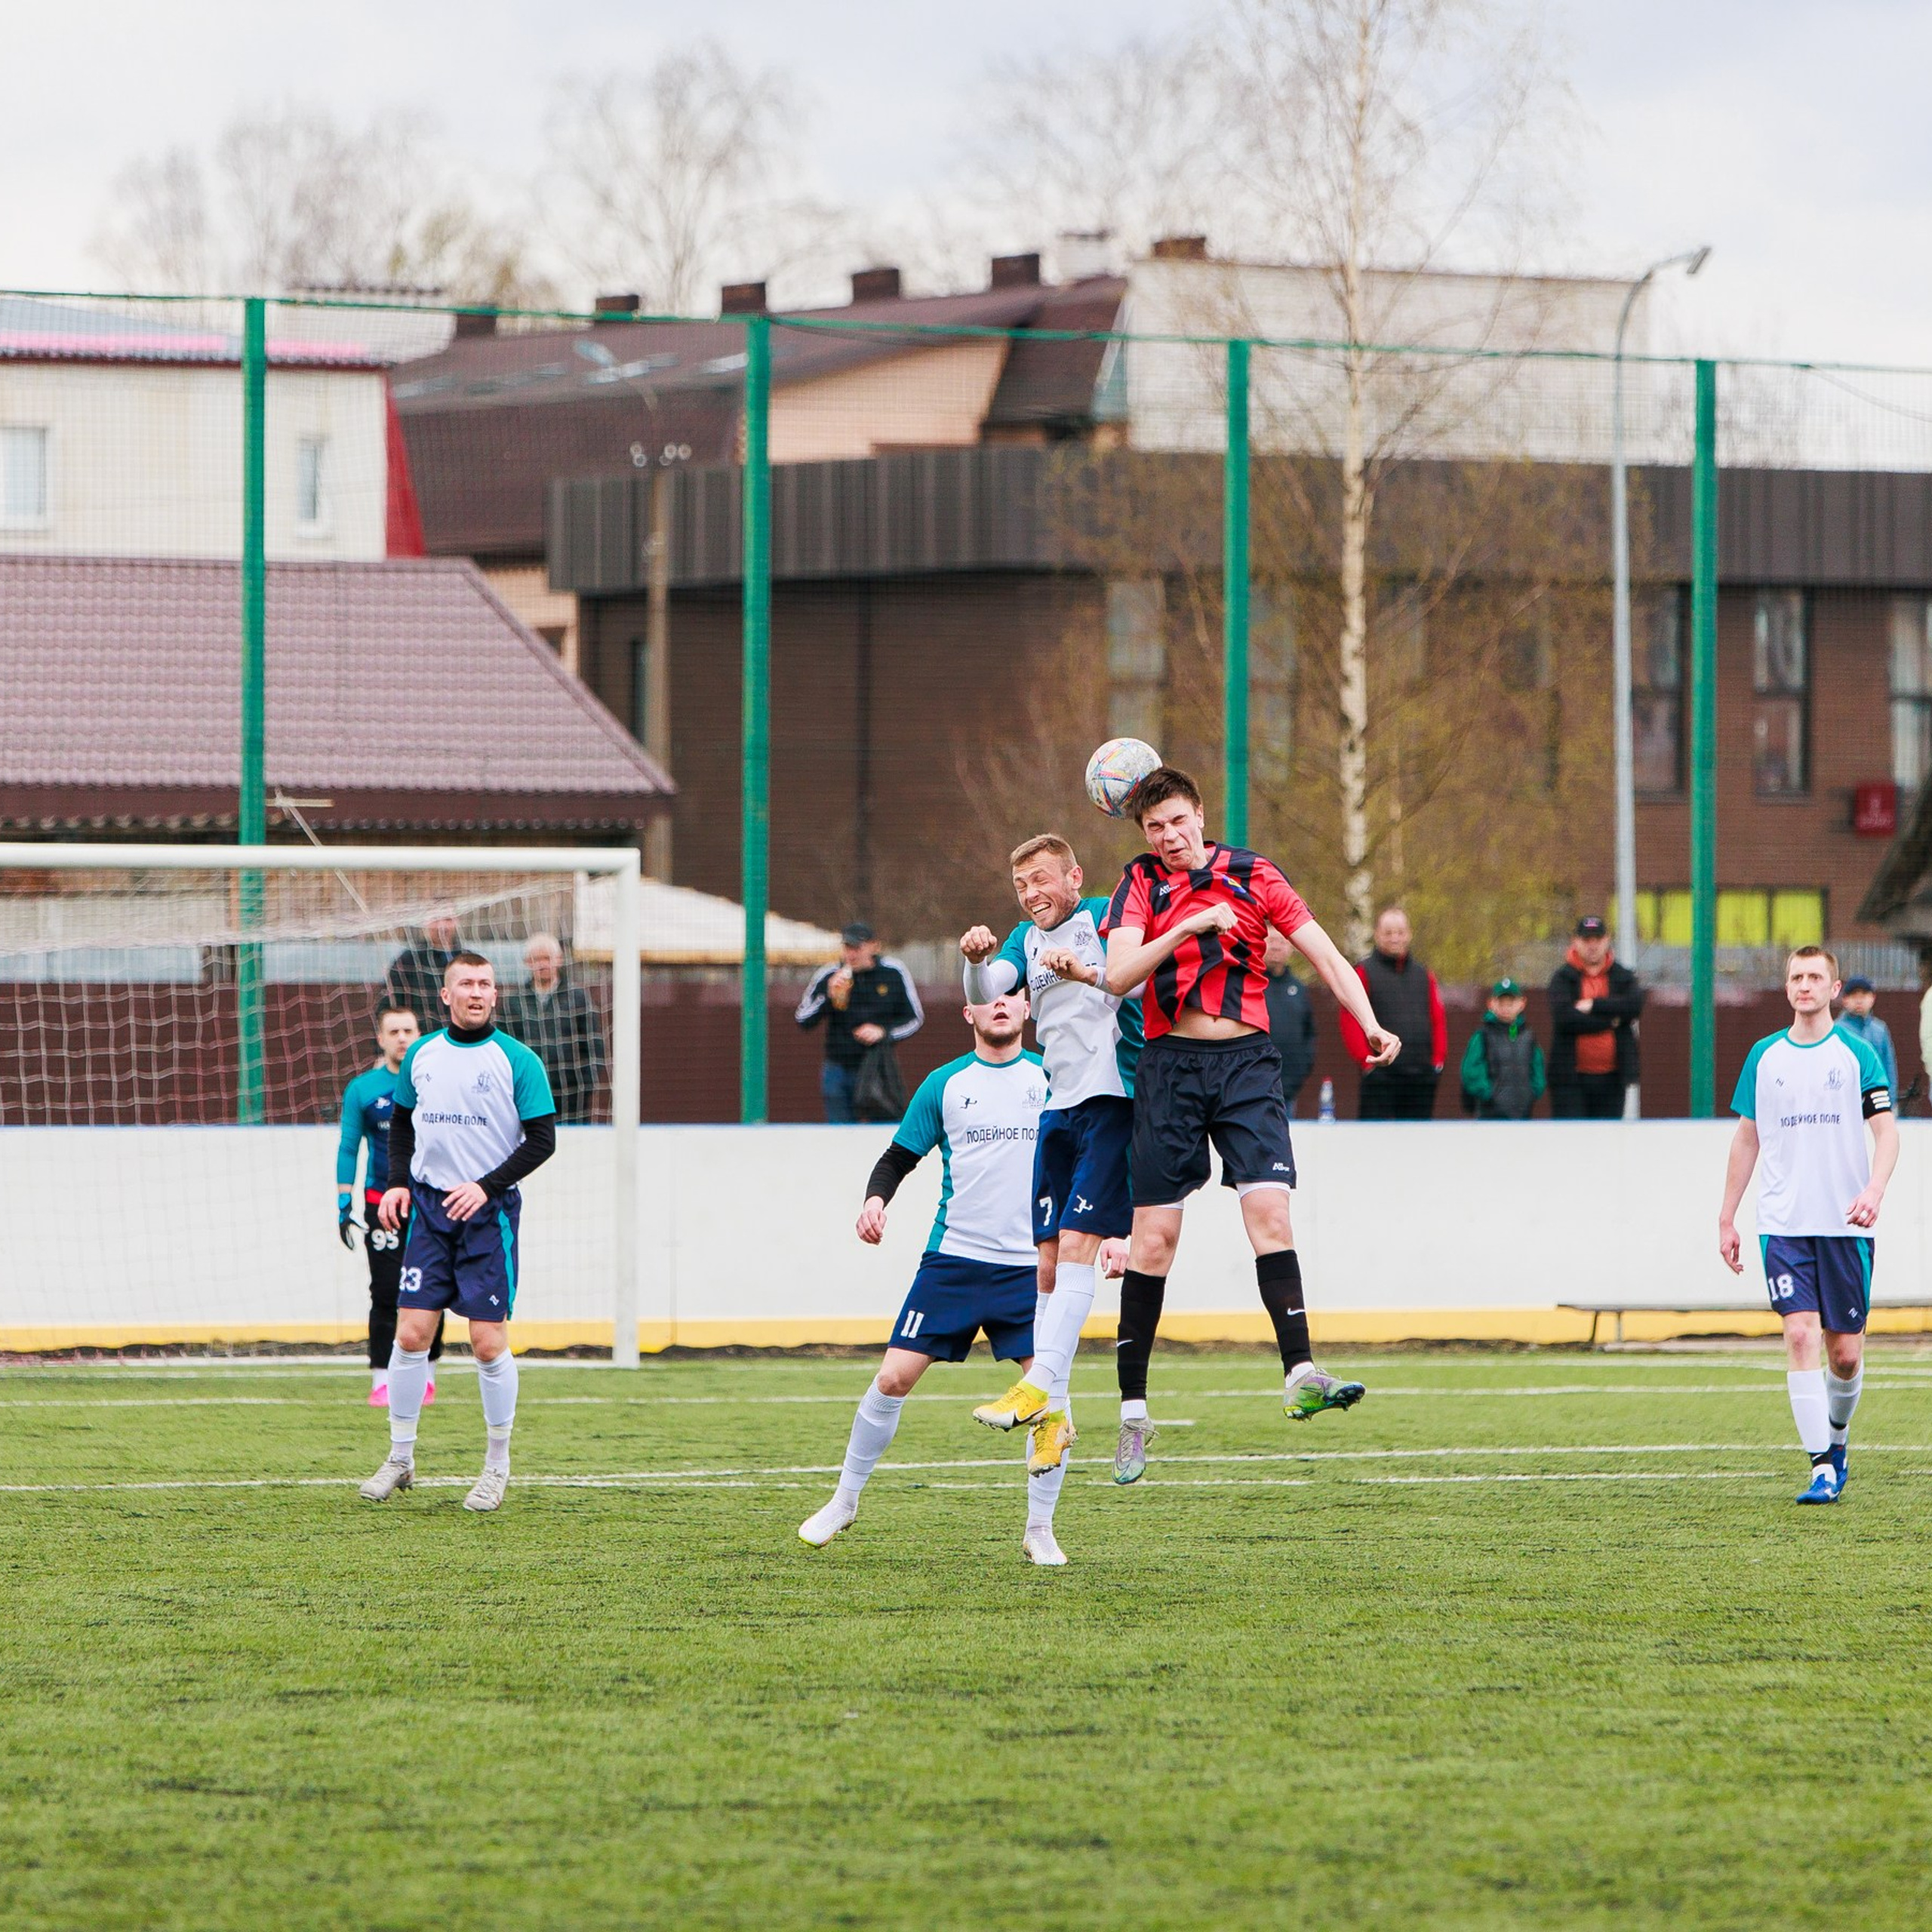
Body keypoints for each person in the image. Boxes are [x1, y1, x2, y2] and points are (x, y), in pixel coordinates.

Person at [1077, 765, 1398, 1484]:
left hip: (1248, 1065)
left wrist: (1370, 1024)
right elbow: (1120, 975)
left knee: (1270, 1218)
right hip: (1167, 1066)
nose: (1168, 838)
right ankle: (1132, 1415)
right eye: (1155, 828)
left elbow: (1326, 954)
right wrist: (1187, 923)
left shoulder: (1254, 873)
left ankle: (1301, 1373)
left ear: (1200, 815)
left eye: (1178, 823)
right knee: (1154, 1240)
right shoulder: (1139, 885)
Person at [797, 986, 1073, 1564]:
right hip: (953, 1262)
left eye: (1011, 997)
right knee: (894, 1378)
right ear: (969, 1012)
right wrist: (876, 1201)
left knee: (1050, 1397)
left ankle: (1040, 1529)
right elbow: (899, 1157)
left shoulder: (1054, 1079)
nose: (1000, 1005)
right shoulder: (946, 1083)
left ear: (1027, 1010)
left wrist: (1113, 1233)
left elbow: (1096, 1154)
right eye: (987, 998)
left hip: (1031, 1269)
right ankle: (844, 1501)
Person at [958, 834, 1140, 1474]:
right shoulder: (1024, 940)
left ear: (1073, 876)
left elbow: (1137, 972)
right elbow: (992, 985)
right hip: (1058, 1110)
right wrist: (977, 959)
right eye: (1020, 885)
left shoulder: (1106, 913)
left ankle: (1039, 1386)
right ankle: (1053, 1416)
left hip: (1113, 1099)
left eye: (1041, 879)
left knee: (1076, 1247)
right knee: (1045, 1264)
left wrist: (1088, 970)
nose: (1032, 893)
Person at [358, 950, 558, 1514]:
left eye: (485, 984)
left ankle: (497, 1466)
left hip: (486, 1216)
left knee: (486, 1341)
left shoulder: (517, 1061)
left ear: (496, 995)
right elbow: (401, 1122)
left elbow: (543, 1140)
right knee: (411, 1335)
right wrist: (397, 1183)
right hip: (427, 1209)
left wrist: (486, 1186)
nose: (476, 992)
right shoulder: (421, 1053)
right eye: (465, 984)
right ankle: (400, 1457)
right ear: (445, 996)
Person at [1718, 945, 1897, 1503]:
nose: (1804, 985)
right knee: (1799, 1335)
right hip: (1784, 1222)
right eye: (1796, 976)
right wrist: (1727, 1216)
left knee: (1844, 1353)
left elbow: (1887, 1132)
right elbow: (1747, 1138)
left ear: (1834, 988)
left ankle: (1837, 1441)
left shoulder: (1857, 1053)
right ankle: (1821, 1466)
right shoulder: (1764, 1057)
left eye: (1815, 976)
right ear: (1787, 986)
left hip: (1846, 1226)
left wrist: (1873, 1190)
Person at [337, 1005, 445, 1404]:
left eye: (409, 1030)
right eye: (394, 1031)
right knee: (385, 1291)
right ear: (380, 1039)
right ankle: (381, 1378)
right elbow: (349, 1146)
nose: (402, 1038)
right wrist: (343, 1200)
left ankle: (428, 1377)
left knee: (433, 1289)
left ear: (420, 1036)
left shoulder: (435, 1085)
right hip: (381, 1203)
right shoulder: (363, 1090)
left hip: (430, 1203)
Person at [794, 921, 924, 1124]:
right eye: (847, 948)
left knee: (885, 1132)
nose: (851, 955)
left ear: (874, 946)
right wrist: (829, 996)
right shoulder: (829, 974)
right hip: (838, 1069)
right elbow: (803, 1019)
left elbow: (914, 1018)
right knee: (841, 1135)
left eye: (857, 948)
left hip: (878, 1068)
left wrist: (883, 1033)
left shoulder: (893, 972)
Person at [1339, 907, 1445, 1120]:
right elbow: (1349, 1019)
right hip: (1381, 1077)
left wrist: (1437, 1062)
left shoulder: (1424, 975)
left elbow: (1438, 1019)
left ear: (1409, 934)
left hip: (1421, 1077)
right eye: (1388, 933)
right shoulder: (1363, 972)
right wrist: (1367, 1063)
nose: (1395, 938)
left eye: (1400, 932)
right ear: (1377, 934)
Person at [501, 933, 609, 1124]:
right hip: (528, 1090)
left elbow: (594, 1044)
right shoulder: (514, 1001)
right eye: (536, 959)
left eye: (546, 958)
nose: (542, 964)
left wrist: (587, 1082)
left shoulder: (578, 998)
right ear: (527, 962)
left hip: (572, 1093)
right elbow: (505, 1045)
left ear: (558, 960)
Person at [1547, 915, 1644, 1118]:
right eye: (1586, 940)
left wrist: (1594, 1004)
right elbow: (1565, 1017)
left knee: (1607, 1142)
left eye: (1597, 940)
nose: (1592, 946)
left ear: (1607, 940)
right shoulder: (1563, 978)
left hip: (1612, 1079)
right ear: (1576, 941)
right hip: (1569, 1081)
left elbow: (1633, 1005)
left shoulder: (1622, 976)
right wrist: (1611, 1021)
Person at [1459, 978, 1546, 1121]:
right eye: (1501, 1003)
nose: (1506, 1008)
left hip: (1523, 1114)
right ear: (1491, 1004)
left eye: (1511, 1003)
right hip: (1490, 1115)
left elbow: (1537, 1067)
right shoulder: (1483, 1035)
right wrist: (1489, 1094)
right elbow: (1470, 1070)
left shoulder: (1528, 1037)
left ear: (1522, 1004)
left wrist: (1532, 1093)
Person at [1263, 931, 1319, 1116]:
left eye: (1281, 941)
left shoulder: (1299, 990)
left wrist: (1300, 1071)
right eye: (1271, 941)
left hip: (1288, 1090)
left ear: (1291, 947)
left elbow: (1309, 1033)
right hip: (1252, 1087)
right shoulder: (1249, 985)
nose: (1276, 946)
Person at [383, 911, 461, 1034]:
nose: (442, 926)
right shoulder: (408, 961)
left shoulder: (467, 959)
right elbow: (389, 1003)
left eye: (447, 919)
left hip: (459, 1037)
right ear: (426, 923)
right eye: (436, 919)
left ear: (457, 922)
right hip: (421, 1038)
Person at [1835, 976, 1898, 1103]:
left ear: (1872, 999)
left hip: (1876, 1098)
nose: (1859, 1000)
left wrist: (1890, 1099)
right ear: (1845, 1000)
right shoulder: (1836, 1030)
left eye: (1864, 995)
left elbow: (1889, 1065)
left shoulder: (1880, 1030)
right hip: (1845, 1099)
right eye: (1854, 996)